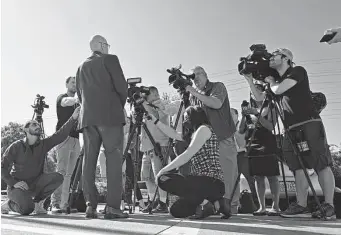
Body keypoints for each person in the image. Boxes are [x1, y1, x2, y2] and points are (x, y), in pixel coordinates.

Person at [249, 48, 335, 219]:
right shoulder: (275, 81)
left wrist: (271, 81)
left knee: (320, 163)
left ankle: (329, 205)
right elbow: (261, 102)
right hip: (291, 128)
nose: (271, 58)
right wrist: (249, 80)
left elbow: (279, 90)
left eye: (275, 55)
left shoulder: (297, 71)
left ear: (286, 58)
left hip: (308, 123)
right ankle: (301, 205)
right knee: (297, 167)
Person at [75, 35, 128, 219]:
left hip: (88, 119)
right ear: (101, 45)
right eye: (107, 44)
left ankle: (90, 206)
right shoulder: (110, 59)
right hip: (110, 115)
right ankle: (113, 207)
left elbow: (80, 95)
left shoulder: (81, 67)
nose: (108, 48)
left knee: (89, 161)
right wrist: (117, 106)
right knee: (113, 159)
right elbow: (122, 87)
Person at [147, 105, 230, 219]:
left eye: (186, 117)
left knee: (163, 179)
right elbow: (173, 134)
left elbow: (187, 154)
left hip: (211, 182)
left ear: (194, 117)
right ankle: (217, 203)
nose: (185, 121)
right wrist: (155, 121)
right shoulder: (194, 134)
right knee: (176, 211)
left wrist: (163, 170)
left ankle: (206, 204)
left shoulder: (204, 129)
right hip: (200, 185)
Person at [1, 107, 80, 215]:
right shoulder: (16, 146)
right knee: (27, 209)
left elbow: (60, 135)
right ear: (25, 129)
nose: (38, 126)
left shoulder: (43, 145)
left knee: (58, 177)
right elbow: (2, 168)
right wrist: (14, 183)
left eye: (38, 125)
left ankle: (37, 203)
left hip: (35, 184)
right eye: (34, 124)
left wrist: (73, 118)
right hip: (18, 187)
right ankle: (9, 204)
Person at [185, 66, 238, 214]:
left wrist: (193, 91)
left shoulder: (217, 86)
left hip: (223, 136)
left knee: (228, 173)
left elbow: (216, 103)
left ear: (206, 74)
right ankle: (213, 205)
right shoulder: (193, 95)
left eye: (198, 74)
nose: (195, 78)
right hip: (205, 142)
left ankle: (231, 206)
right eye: (192, 76)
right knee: (208, 176)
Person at [238, 83, 281, 216]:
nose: (253, 94)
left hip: (267, 143)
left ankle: (276, 206)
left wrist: (257, 114)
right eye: (251, 92)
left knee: (272, 176)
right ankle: (262, 207)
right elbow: (240, 130)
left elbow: (270, 126)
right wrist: (244, 115)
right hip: (253, 143)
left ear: (263, 93)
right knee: (258, 177)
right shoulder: (249, 110)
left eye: (256, 91)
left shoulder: (271, 107)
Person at [138, 86, 172, 213]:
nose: (156, 95)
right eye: (153, 94)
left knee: (159, 175)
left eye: (156, 93)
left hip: (159, 144)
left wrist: (144, 103)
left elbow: (154, 115)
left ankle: (163, 202)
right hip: (147, 146)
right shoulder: (144, 107)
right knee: (146, 176)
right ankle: (152, 201)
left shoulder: (159, 105)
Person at [50, 76, 81, 214]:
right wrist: (80, 98)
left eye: (77, 83)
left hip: (76, 139)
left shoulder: (79, 104)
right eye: (72, 82)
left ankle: (64, 204)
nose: (75, 84)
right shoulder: (62, 98)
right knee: (61, 171)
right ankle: (54, 203)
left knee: (69, 174)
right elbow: (65, 102)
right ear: (66, 84)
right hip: (63, 138)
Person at [231, 108, 257, 211]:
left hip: (243, 154)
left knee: (251, 179)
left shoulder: (242, 124)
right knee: (233, 181)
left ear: (237, 115)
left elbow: (243, 137)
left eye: (232, 114)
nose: (230, 116)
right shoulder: (227, 127)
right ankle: (234, 204)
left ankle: (256, 204)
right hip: (232, 156)